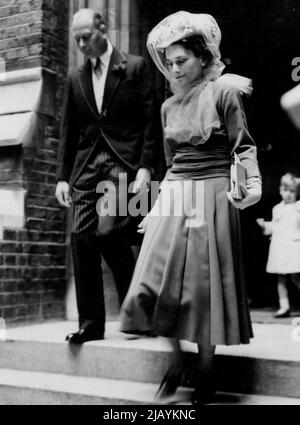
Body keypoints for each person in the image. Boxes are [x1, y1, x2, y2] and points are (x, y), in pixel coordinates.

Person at [119, 11, 262, 404]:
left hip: (214, 191)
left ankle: (205, 372)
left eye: (181, 60)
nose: (174, 69)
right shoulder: (168, 108)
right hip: (178, 193)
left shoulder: (225, 92)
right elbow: (172, 164)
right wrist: (157, 205)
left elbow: (243, 146)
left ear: (202, 57)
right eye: (169, 62)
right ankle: (177, 359)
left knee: (203, 288)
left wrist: (250, 182)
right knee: (148, 282)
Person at [55, 8, 158, 344]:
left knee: (109, 233)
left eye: (86, 37)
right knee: (82, 237)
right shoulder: (75, 77)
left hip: (122, 165)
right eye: (77, 39)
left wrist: (145, 166)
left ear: (103, 28)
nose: (81, 44)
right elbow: (68, 131)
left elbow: (150, 122)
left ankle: (138, 313)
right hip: (85, 168)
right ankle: (91, 324)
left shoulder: (135, 66)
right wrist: (61, 178)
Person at [257, 173, 300, 318]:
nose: (288, 194)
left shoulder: (298, 208)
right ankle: (284, 306)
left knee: (296, 277)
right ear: (280, 190)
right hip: (280, 248)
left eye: (292, 191)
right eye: (285, 190)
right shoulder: (277, 209)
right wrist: (265, 226)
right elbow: (275, 227)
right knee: (280, 278)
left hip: (293, 247)